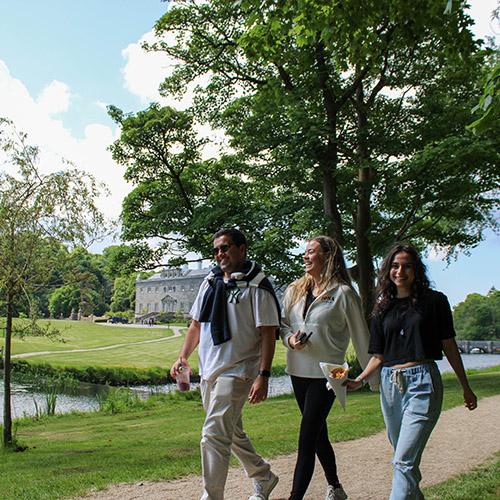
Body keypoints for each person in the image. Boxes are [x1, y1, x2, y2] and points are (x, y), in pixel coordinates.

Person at [345, 242, 477, 500]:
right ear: (387, 271)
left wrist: (466, 387)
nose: (400, 271)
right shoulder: (382, 308)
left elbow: (449, 345)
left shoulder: (435, 301)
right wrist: (358, 380)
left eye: (407, 266)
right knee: (405, 460)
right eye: (395, 266)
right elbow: (378, 356)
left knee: (403, 461)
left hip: (422, 383)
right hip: (389, 386)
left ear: (417, 270)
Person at [170, 228, 281, 500]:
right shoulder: (210, 282)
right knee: (231, 432)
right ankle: (263, 476)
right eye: (217, 249)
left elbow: (268, 333)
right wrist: (183, 356)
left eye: (226, 247)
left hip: (239, 369)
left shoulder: (258, 286)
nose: (220, 253)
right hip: (209, 370)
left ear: (242, 249)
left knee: (213, 435)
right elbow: (196, 324)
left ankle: (212, 496)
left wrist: (263, 375)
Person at [280, 235, 377, 500]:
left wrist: (374, 379)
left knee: (307, 435)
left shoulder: (344, 293)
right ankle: (335, 486)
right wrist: (290, 340)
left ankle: (295, 497)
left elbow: (361, 336)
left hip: (331, 372)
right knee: (318, 432)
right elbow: (284, 326)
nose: (306, 256)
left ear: (328, 256)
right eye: (305, 252)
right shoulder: (294, 290)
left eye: (311, 252)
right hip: (297, 370)